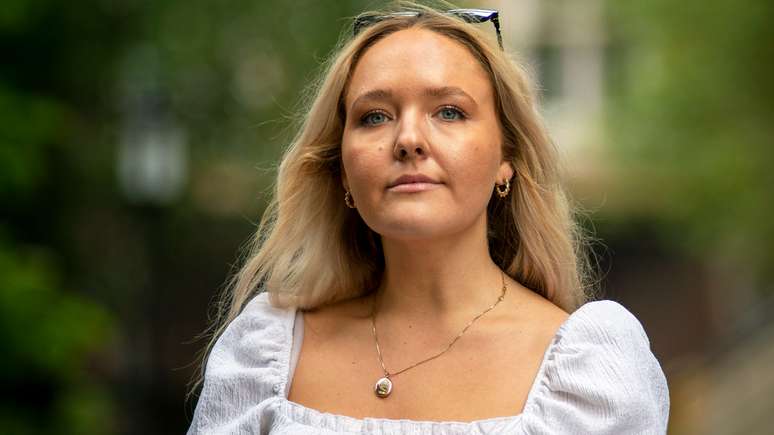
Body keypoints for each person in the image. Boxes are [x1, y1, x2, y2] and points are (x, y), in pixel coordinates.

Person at [187, 2, 670, 434]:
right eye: (375, 116)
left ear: (507, 158)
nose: (408, 139)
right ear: (342, 172)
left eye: (449, 112)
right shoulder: (268, 355)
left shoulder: (586, 374)